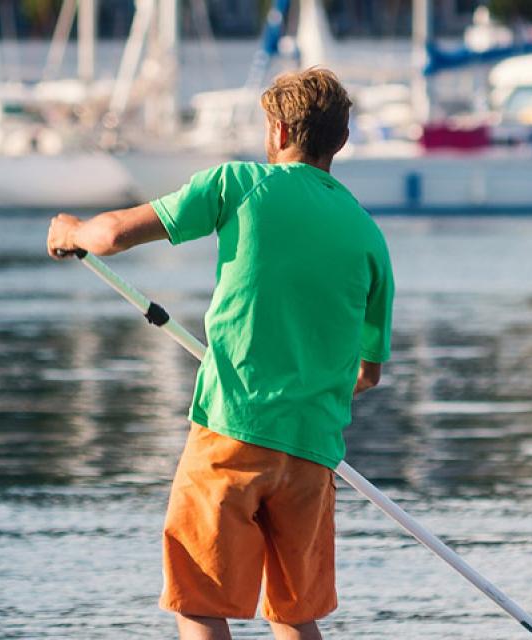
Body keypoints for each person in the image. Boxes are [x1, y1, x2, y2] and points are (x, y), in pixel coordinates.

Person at [45, 68, 394, 640]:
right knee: (294, 614)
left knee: (200, 601)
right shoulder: (367, 235)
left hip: (233, 430)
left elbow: (113, 236)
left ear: (279, 131)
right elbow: (368, 373)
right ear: (341, 141)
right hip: (313, 451)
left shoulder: (238, 184)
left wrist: (72, 231)